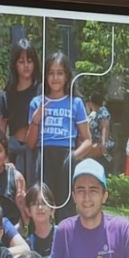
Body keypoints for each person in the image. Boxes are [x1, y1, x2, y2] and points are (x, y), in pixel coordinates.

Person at [27, 52, 91, 223]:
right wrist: (36, 119)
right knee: (42, 201)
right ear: (45, 75)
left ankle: (68, 244)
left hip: (66, 156)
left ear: (67, 76)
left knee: (65, 205)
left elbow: (88, 140)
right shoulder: (36, 102)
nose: (55, 78)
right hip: (43, 156)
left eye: (60, 73)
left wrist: (74, 156)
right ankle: (41, 244)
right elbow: (31, 143)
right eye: (51, 73)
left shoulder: (75, 103)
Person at [0, 38, 42, 187]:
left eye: (29, 61)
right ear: (14, 64)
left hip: (38, 152)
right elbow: (1, 129)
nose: (26, 66)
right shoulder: (7, 94)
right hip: (14, 151)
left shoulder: (42, 91)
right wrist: (4, 158)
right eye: (21, 61)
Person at [23, 183, 56, 258]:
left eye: (44, 203)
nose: (40, 207)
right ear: (28, 211)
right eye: (34, 204)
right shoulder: (27, 243)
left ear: (52, 209)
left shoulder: (62, 235)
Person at [85, 91, 115, 175]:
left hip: (101, 144)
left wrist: (103, 144)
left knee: (102, 168)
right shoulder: (93, 113)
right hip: (92, 145)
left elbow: (105, 127)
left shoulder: (103, 111)